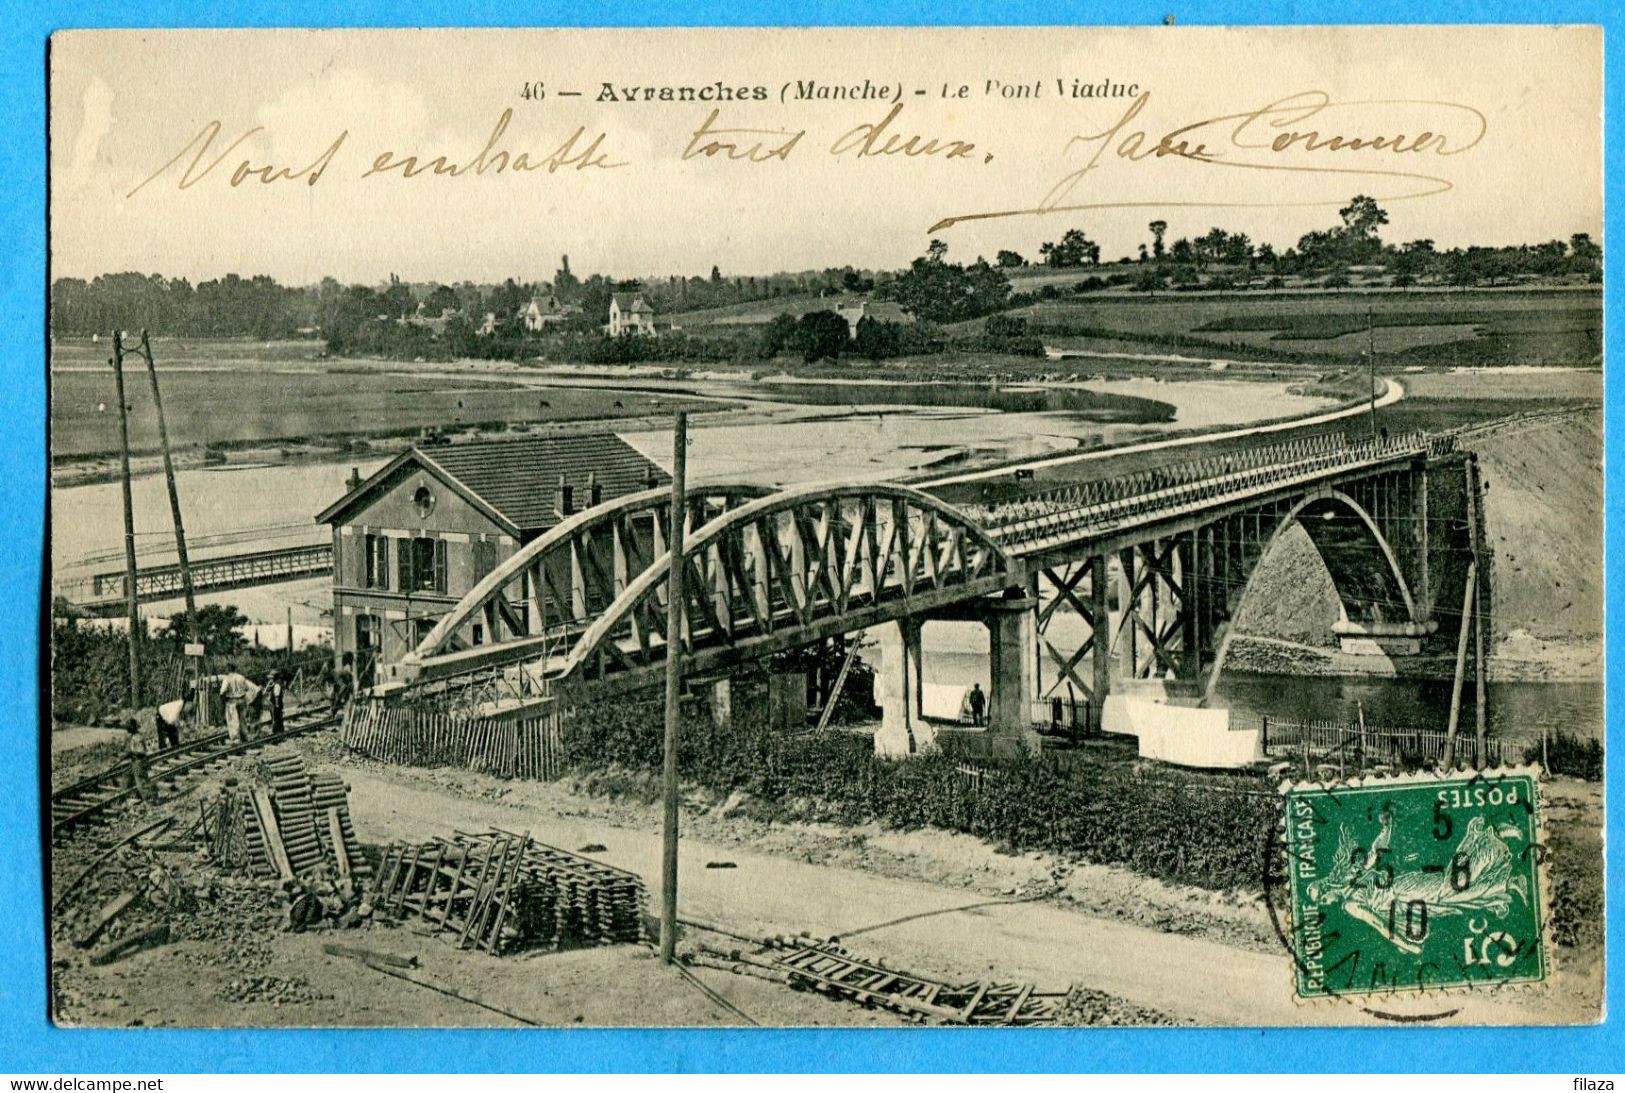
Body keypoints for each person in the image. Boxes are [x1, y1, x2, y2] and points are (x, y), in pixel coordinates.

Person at [218, 670, 259, 744]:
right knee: (243, 719)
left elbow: (223, 691)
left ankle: (236, 739)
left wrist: (223, 698)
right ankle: (245, 735)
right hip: (242, 699)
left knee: (233, 720)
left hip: (232, 701)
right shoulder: (241, 677)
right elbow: (248, 687)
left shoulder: (227, 678)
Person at [154, 683, 196, 750]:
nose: (190, 708)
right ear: (187, 703)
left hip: (169, 719)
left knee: (174, 737)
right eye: (190, 706)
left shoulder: (184, 707)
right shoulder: (178, 707)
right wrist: (181, 728)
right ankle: (163, 752)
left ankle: (175, 750)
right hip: (161, 716)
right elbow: (172, 721)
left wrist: (188, 726)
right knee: (163, 737)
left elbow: (185, 719)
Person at [124, 718, 156, 803]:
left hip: (139, 762)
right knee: (128, 777)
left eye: (129, 726)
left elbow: (142, 751)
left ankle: (150, 799)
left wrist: (131, 753)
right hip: (135, 761)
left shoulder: (137, 737)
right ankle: (131, 796)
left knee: (141, 782)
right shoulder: (133, 736)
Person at [265, 670, 286, 735]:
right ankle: (279, 731)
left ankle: (276, 732)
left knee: (276, 718)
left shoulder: (276, 685)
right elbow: (267, 690)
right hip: (274, 704)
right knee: (277, 718)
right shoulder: (274, 684)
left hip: (276, 704)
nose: (270, 679)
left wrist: (276, 704)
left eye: (271, 678)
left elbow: (277, 695)